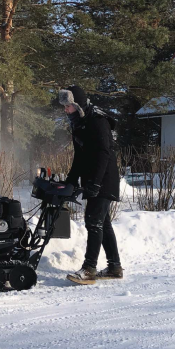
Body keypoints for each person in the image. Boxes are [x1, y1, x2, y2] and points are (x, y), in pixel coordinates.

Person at [58, 85, 122, 284]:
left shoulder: (97, 121)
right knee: (103, 223)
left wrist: (95, 182)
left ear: (78, 104)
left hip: (105, 179)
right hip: (94, 180)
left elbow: (104, 153)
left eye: (68, 106)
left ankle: (89, 269)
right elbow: (79, 157)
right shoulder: (79, 123)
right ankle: (114, 267)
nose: (65, 110)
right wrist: (69, 181)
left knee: (93, 221)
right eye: (65, 106)